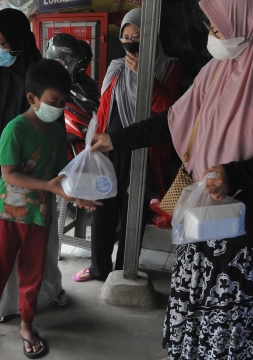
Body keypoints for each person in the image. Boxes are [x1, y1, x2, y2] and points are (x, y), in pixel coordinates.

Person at [91, 0, 253, 358]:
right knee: (193, 317)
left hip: (248, 237)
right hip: (203, 221)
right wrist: (115, 139)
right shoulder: (216, 71)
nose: (212, 36)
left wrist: (234, 174)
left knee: (230, 330)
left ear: (249, 25)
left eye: (218, 29)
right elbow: (173, 120)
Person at [0, 59, 74, 360]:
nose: (59, 107)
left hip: (39, 216)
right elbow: (9, 175)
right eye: (54, 102)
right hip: (7, 215)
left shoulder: (56, 131)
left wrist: (77, 185)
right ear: (33, 98)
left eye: (63, 102)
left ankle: (27, 326)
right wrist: (49, 186)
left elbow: (58, 171)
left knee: (33, 274)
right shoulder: (14, 130)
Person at [73, 7, 181, 282]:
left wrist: (147, 78)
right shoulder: (116, 67)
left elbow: (170, 112)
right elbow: (104, 109)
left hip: (145, 147)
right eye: (127, 36)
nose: (131, 42)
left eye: (137, 36)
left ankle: (124, 268)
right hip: (110, 147)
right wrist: (93, 139)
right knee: (103, 207)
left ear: (151, 37)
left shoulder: (168, 67)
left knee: (133, 210)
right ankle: (99, 268)